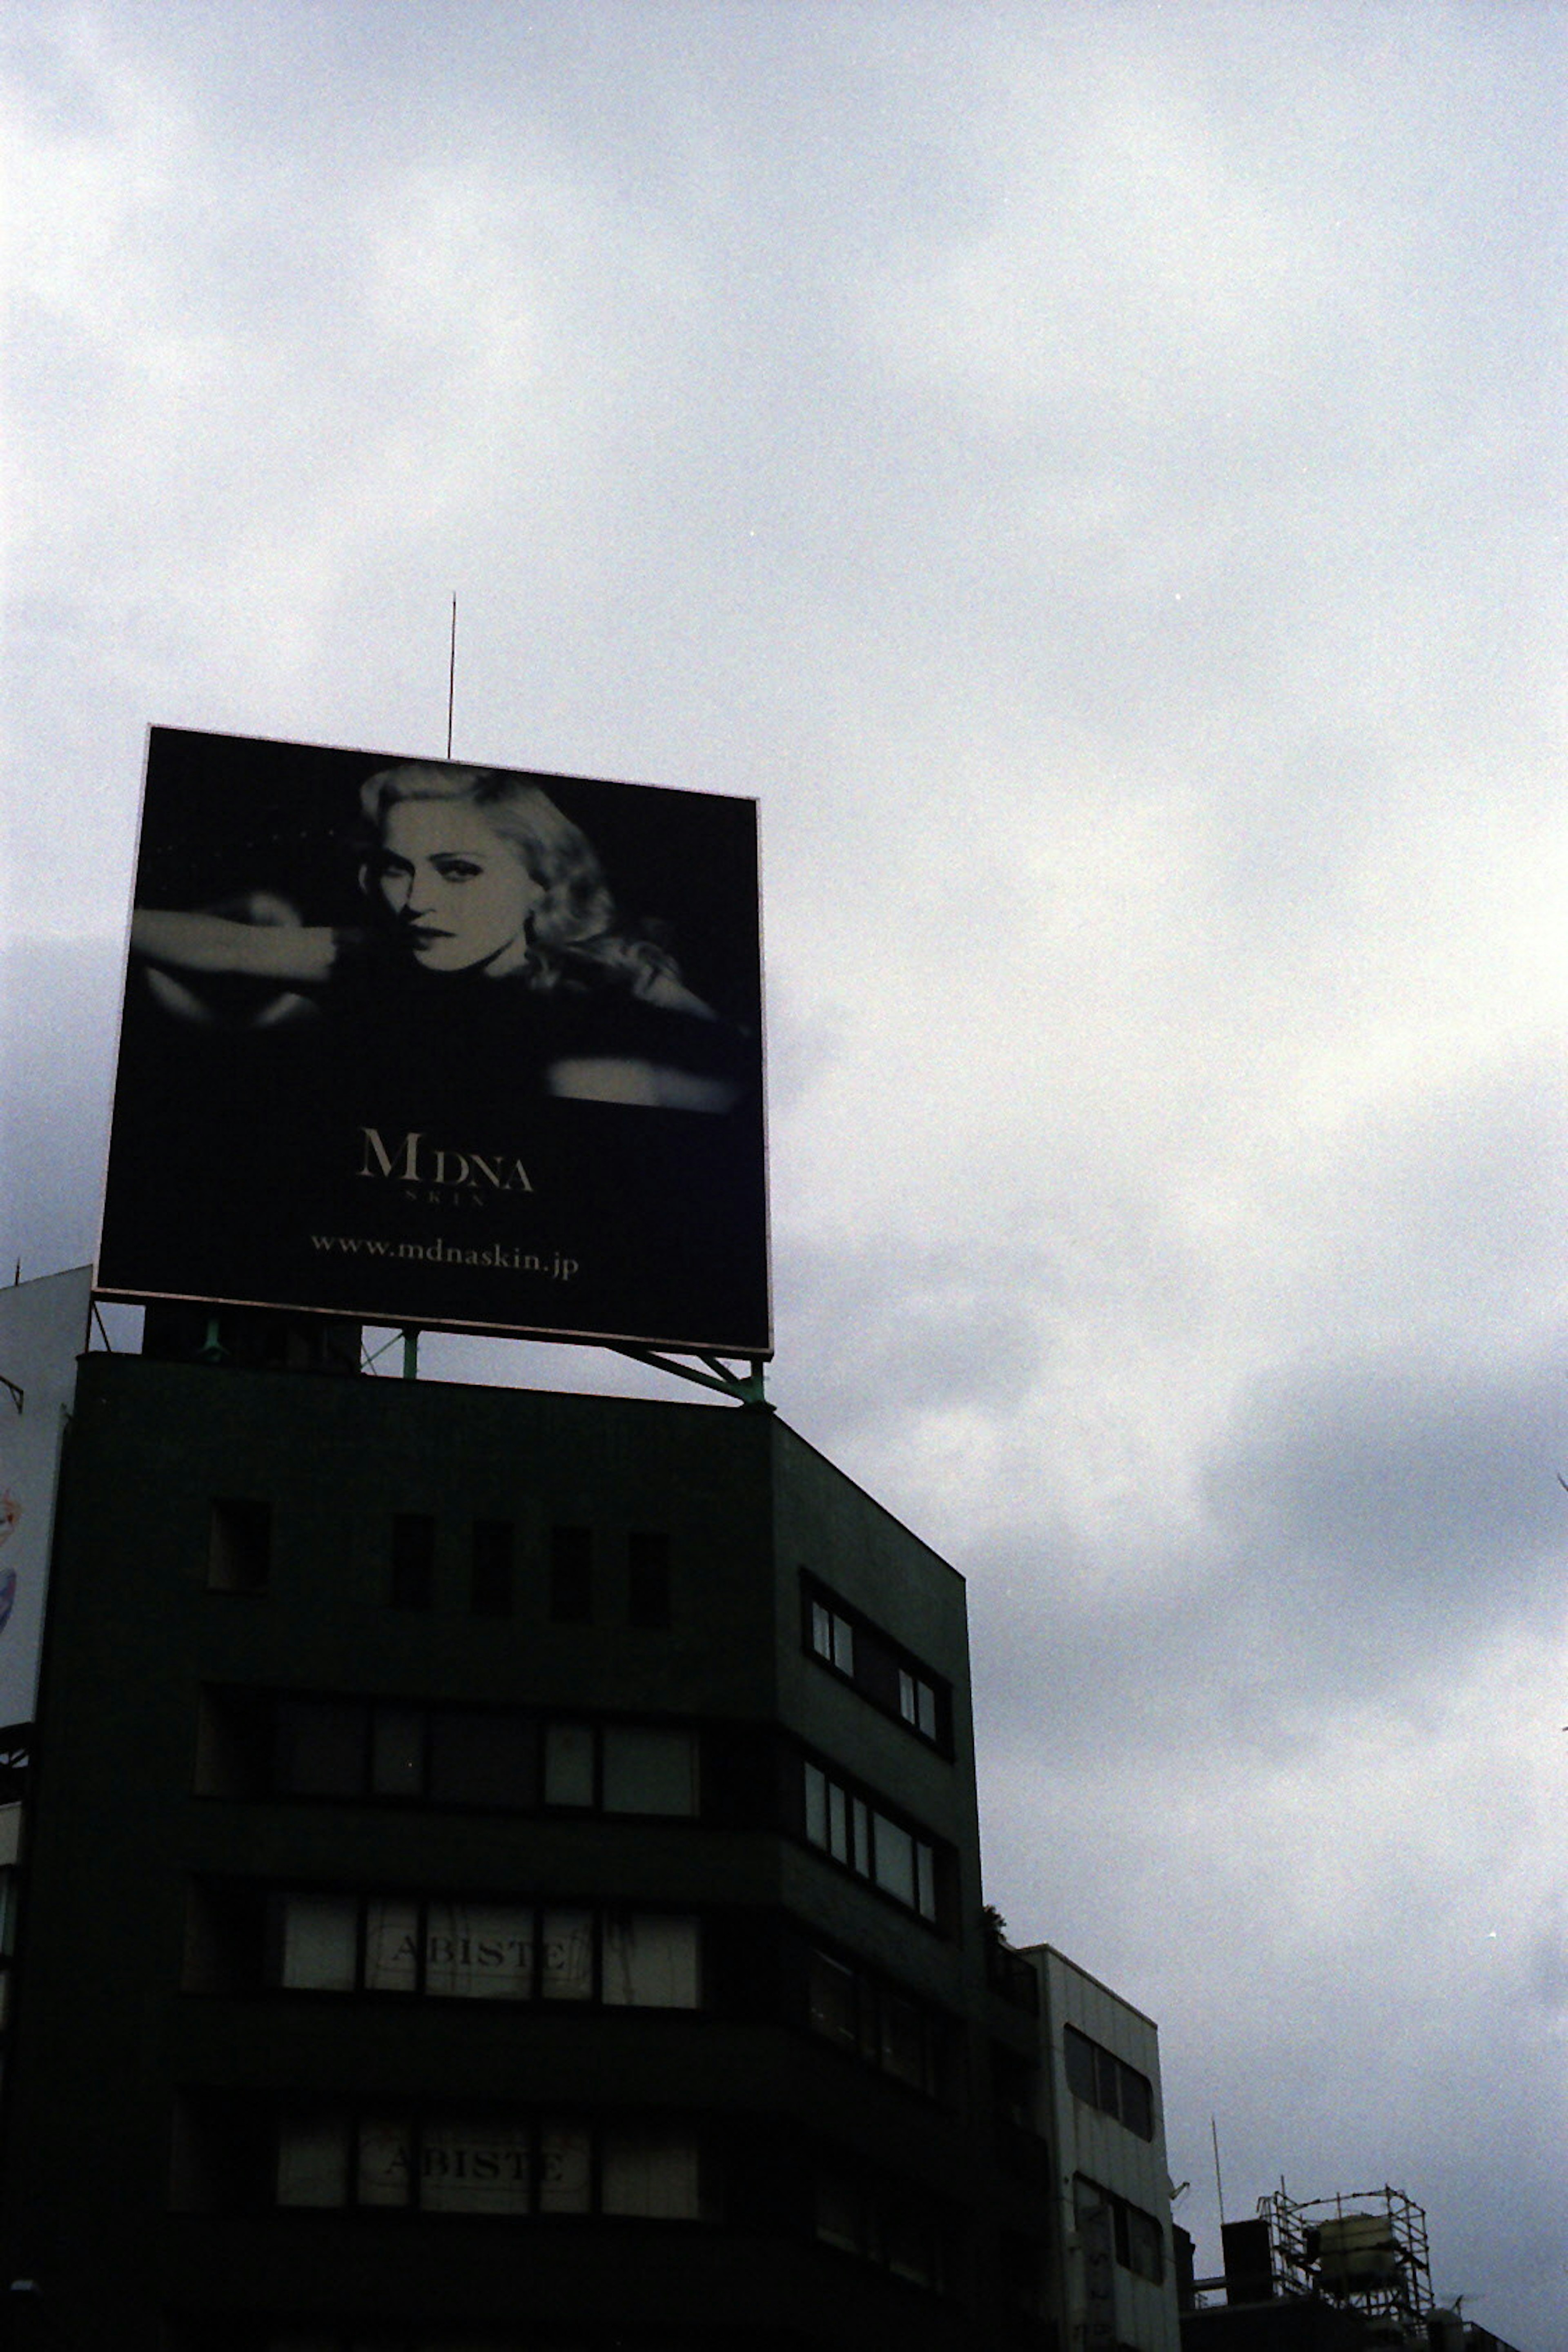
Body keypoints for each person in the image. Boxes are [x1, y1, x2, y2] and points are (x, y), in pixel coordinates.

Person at [129, 763, 745, 1113]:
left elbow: (733, 1084)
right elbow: (232, 948)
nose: (417, 903)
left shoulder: (620, 978)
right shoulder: (372, 961)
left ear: (541, 881)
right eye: (400, 869)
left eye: (458, 871)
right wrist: (107, 919)